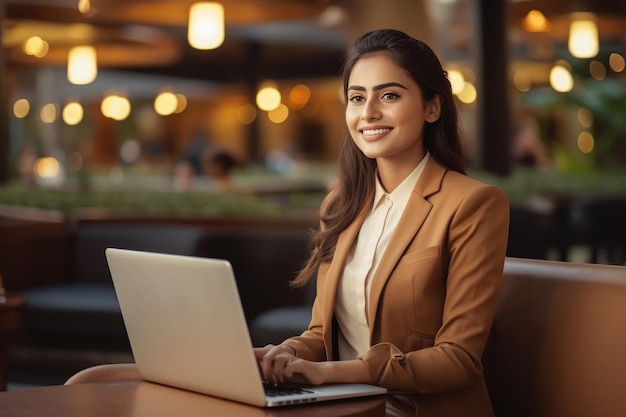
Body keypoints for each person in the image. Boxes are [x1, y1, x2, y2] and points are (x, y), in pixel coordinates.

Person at [254, 29, 510, 417]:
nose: (368, 112)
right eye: (357, 97)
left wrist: (331, 374)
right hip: (343, 406)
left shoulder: (473, 204)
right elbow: (324, 334)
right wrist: (287, 354)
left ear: (432, 108)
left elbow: (457, 359)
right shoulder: (340, 205)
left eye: (389, 95)